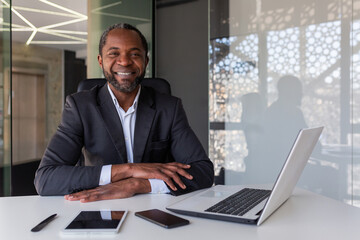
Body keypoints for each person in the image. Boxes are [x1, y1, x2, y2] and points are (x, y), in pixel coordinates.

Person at [34, 23, 214, 202]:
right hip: (98, 209)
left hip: (154, 210)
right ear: (100, 61)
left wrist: (136, 185)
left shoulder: (168, 107)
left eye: (135, 54)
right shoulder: (80, 107)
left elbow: (203, 171)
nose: (125, 61)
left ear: (146, 61)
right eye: (114, 53)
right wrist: (129, 169)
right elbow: (46, 178)